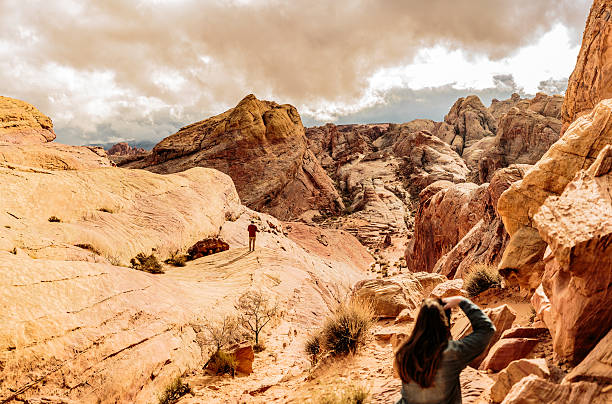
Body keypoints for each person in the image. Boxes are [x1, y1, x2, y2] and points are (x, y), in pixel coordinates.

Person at [394, 296, 495, 404]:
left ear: (419, 320)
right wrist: (462, 301)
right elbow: (486, 329)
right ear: (445, 322)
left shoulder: (403, 352)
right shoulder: (451, 353)